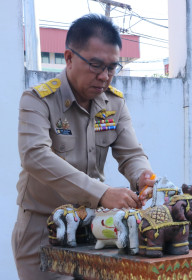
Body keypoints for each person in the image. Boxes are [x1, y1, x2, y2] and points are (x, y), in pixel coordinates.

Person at [12, 14, 156, 280]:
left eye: (112, 67)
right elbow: (35, 156)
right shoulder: (37, 100)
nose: (104, 77)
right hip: (44, 228)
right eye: (95, 65)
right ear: (68, 58)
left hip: (95, 228)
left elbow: (131, 154)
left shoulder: (114, 103)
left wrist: (142, 176)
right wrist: (101, 193)